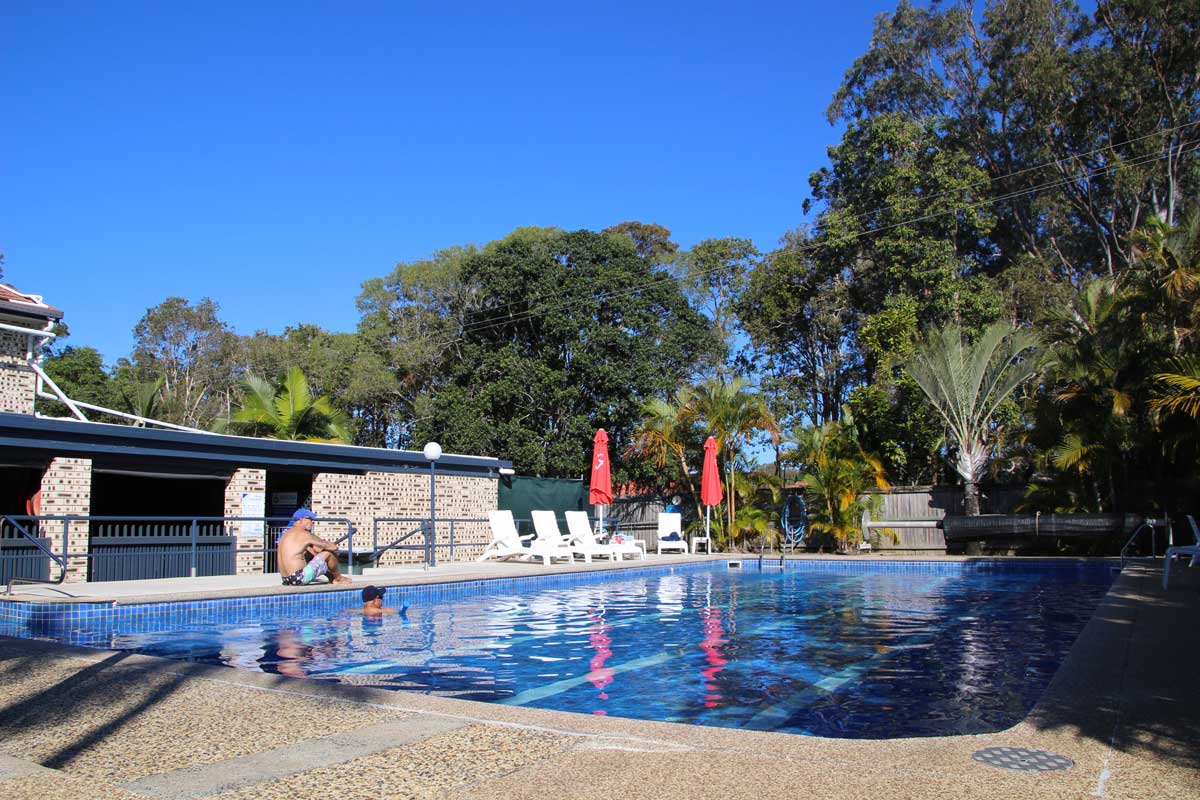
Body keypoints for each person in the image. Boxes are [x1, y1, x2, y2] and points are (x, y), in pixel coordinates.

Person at [278, 508, 351, 586]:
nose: (312, 522)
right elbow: (331, 546)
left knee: (310, 554)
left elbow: (314, 551)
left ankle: (331, 577)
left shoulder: (286, 534)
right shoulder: (304, 534)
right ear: (301, 519)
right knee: (328, 554)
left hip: (286, 580)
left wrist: (316, 551)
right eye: (310, 519)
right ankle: (338, 578)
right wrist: (336, 552)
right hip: (299, 578)